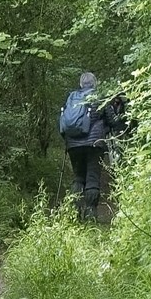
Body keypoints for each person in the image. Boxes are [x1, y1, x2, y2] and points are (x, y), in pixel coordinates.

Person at [58, 72, 110, 220]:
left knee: (79, 177)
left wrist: (68, 141)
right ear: (95, 83)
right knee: (92, 177)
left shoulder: (71, 97)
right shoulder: (99, 97)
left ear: (81, 84)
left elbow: (63, 122)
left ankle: (74, 211)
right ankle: (90, 213)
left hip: (73, 144)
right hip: (94, 144)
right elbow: (112, 119)